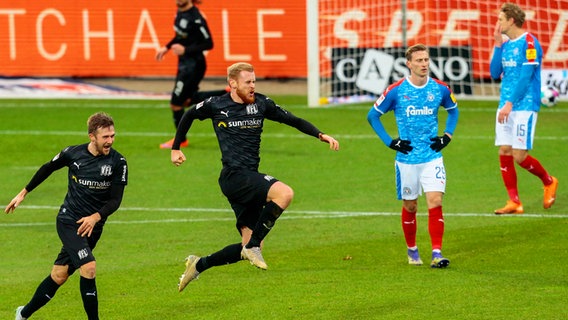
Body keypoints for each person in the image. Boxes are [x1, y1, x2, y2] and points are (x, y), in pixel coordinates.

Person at [171, 62, 340, 292]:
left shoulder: (262, 103)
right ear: (233, 84)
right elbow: (189, 114)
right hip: (233, 177)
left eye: (254, 82)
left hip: (248, 178)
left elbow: (293, 119)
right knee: (285, 193)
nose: (252, 86)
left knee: (247, 245)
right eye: (248, 82)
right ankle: (252, 247)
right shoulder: (216, 105)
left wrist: (319, 134)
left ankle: (199, 264)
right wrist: (176, 147)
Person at [6, 112, 128, 320]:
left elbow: (115, 201)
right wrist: (23, 192)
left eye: (112, 136)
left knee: (59, 276)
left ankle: (23, 314)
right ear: (92, 136)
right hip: (69, 221)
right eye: (105, 137)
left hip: (92, 227)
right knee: (89, 267)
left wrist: (95, 217)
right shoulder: (73, 154)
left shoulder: (118, 163)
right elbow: (48, 168)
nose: (110, 141)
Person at [367, 44, 459, 268]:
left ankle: (437, 253)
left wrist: (447, 136)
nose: (424, 64)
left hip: (432, 156)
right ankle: (412, 249)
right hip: (407, 159)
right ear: (409, 64)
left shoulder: (440, 88)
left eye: (426, 60)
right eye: (419, 61)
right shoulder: (396, 90)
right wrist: (390, 142)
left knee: (435, 201)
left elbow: (453, 110)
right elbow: (372, 117)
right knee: (411, 206)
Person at [490, 2, 558, 214]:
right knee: (504, 150)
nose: (498, 23)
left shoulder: (529, 43)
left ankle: (549, 181)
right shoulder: (507, 44)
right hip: (505, 105)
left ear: (511, 20)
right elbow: (494, 73)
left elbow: (526, 76)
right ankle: (514, 202)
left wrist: (510, 103)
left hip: (524, 106)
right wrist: (497, 44)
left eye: (500, 19)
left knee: (519, 155)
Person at [156, 0, 228, 149]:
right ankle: (225, 94)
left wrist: (185, 50)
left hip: (194, 65)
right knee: (187, 100)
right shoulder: (180, 12)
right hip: (185, 64)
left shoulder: (196, 18)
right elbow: (181, 36)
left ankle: (181, 140)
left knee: (176, 104)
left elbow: (209, 43)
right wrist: (166, 47)